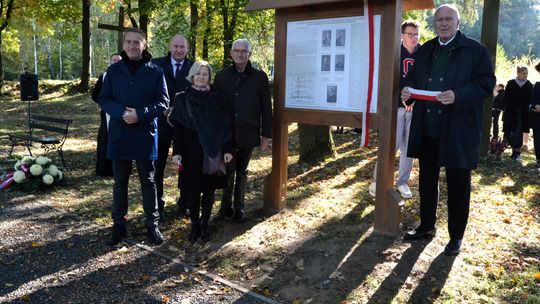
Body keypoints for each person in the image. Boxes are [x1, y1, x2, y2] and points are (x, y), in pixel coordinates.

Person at [401, 4, 495, 256]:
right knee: (427, 181)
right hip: (428, 128)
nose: (443, 23)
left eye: (448, 19)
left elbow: (487, 84)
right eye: (439, 19)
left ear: (457, 22)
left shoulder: (476, 50)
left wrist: (458, 95)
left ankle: (456, 237)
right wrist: (407, 91)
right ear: (434, 23)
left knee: (458, 186)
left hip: (458, 130)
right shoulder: (426, 50)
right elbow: (412, 80)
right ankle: (427, 226)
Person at [98, 28, 169, 246]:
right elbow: (104, 98)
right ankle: (118, 225)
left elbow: (163, 102)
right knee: (120, 182)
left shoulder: (155, 71)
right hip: (120, 133)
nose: (132, 46)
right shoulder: (113, 71)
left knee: (148, 181)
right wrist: (121, 113)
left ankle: (152, 225)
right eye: (128, 42)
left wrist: (139, 114)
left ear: (144, 45)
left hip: (144, 134)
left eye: (136, 42)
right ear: (124, 44)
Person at [170, 61, 233, 243]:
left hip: (212, 151)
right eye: (198, 73)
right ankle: (195, 225)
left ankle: (205, 223)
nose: (201, 77)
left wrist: (227, 149)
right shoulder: (182, 98)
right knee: (192, 190)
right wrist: (177, 152)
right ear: (192, 76)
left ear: (209, 77)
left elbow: (225, 126)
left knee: (209, 189)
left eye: (205, 74)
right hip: (191, 152)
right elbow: (178, 129)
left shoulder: (218, 98)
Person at [213, 38, 272, 223]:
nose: (240, 54)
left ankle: (239, 207)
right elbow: (215, 107)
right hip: (227, 133)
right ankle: (225, 208)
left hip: (249, 131)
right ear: (231, 53)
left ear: (249, 54)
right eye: (236, 50)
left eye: (244, 51)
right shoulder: (222, 76)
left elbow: (266, 108)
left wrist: (266, 135)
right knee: (228, 170)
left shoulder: (259, 77)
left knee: (242, 170)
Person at [369, 20, 421, 199]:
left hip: (416, 108)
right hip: (396, 107)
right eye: (410, 34)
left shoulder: (423, 53)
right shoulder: (394, 52)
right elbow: (389, 78)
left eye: (416, 34)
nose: (414, 38)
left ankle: (403, 182)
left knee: (409, 147)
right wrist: (402, 97)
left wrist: (415, 99)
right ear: (401, 35)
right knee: (391, 144)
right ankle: (378, 179)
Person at [152, 35, 194, 222]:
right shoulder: (155, 64)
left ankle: (184, 202)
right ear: (170, 47)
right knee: (157, 165)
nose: (178, 50)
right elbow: (149, 91)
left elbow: (198, 92)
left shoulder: (194, 68)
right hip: (160, 124)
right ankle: (157, 205)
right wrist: (161, 108)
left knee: (185, 165)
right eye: (175, 46)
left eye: (182, 47)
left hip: (185, 126)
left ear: (187, 48)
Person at [91, 53, 122, 177]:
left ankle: (119, 169)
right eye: (114, 60)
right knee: (104, 140)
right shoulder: (104, 76)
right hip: (107, 113)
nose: (116, 62)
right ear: (110, 62)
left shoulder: (126, 77)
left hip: (121, 113)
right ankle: (103, 169)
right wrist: (105, 104)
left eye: (118, 60)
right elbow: (95, 95)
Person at [502, 65, 533, 161]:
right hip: (511, 111)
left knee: (519, 131)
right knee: (510, 130)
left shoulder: (529, 85)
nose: (525, 75)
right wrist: (511, 107)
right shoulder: (511, 83)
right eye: (524, 73)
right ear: (518, 73)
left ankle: (517, 152)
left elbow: (530, 99)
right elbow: (506, 97)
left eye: (527, 73)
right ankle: (508, 151)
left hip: (522, 112)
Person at [530, 61, 540, 166]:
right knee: (537, 137)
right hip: (537, 116)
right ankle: (538, 159)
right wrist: (535, 105)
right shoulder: (537, 85)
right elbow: (532, 99)